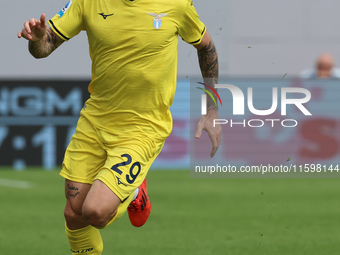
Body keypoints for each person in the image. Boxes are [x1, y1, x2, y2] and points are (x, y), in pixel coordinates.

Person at [18, 0, 221, 254]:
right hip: (96, 120)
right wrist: (35, 39)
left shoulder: (176, 5)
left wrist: (211, 109)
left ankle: (135, 192)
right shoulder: (88, 2)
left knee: (95, 211)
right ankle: (133, 190)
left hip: (143, 125)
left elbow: (207, 48)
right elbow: (44, 46)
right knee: (74, 213)